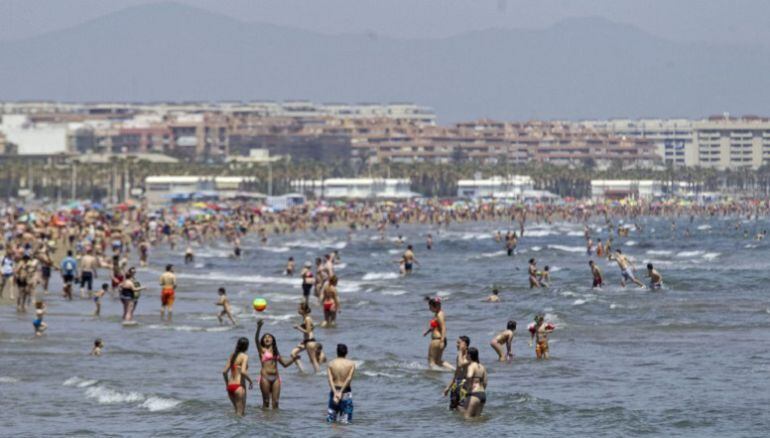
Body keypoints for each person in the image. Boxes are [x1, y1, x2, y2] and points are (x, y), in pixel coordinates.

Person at [254, 319, 297, 409]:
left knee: (276, 403)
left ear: (273, 340)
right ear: (263, 341)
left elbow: (285, 365)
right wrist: (259, 327)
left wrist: (294, 359)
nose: (267, 338)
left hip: (276, 378)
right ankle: (265, 420)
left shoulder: (276, 352)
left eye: (269, 337)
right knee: (266, 402)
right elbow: (256, 340)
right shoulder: (262, 350)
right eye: (265, 337)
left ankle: (275, 422)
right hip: (265, 378)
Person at [222, 337, 254, 416]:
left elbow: (224, 372)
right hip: (239, 386)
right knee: (240, 414)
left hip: (230, 387)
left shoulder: (232, 355)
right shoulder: (244, 356)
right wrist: (250, 381)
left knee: (236, 412)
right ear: (247, 346)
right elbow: (243, 372)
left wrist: (227, 384)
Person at [290, 302, 324, 373]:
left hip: (310, 341)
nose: (298, 310)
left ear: (304, 310)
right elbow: (313, 327)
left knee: (313, 360)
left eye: (299, 309)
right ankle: (302, 370)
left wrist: (298, 327)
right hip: (306, 341)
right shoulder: (305, 318)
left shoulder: (307, 319)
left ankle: (318, 374)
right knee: (293, 353)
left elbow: (308, 331)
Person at [327, 343, 356, 424]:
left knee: (331, 420)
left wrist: (336, 393)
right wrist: (340, 392)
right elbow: (349, 378)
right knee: (345, 421)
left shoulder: (331, 363)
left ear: (337, 352)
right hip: (346, 392)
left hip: (334, 392)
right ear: (346, 352)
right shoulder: (351, 364)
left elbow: (330, 380)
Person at [423, 296, 454, 371]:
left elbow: (443, 328)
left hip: (438, 340)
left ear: (435, 306)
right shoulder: (438, 314)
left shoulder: (440, 315)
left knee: (431, 361)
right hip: (439, 339)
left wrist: (442, 341)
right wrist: (427, 332)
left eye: (430, 307)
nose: (429, 309)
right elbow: (436, 327)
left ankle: (432, 379)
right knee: (438, 361)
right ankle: (455, 370)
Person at [457, 347, 487, 419]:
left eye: (467, 354)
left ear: (469, 355)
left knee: (467, 418)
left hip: (474, 394)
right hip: (482, 394)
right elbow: (485, 382)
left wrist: (469, 386)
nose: (466, 356)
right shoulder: (482, 367)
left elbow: (469, 376)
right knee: (477, 418)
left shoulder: (471, 365)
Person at [443, 335, 470, 410]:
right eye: (457, 343)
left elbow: (461, 364)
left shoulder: (469, 356)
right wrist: (448, 387)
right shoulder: (459, 356)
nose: (457, 345)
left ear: (466, 345)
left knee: (462, 408)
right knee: (452, 408)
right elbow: (456, 373)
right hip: (456, 384)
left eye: (459, 343)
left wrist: (460, 352)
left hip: (465, 385)